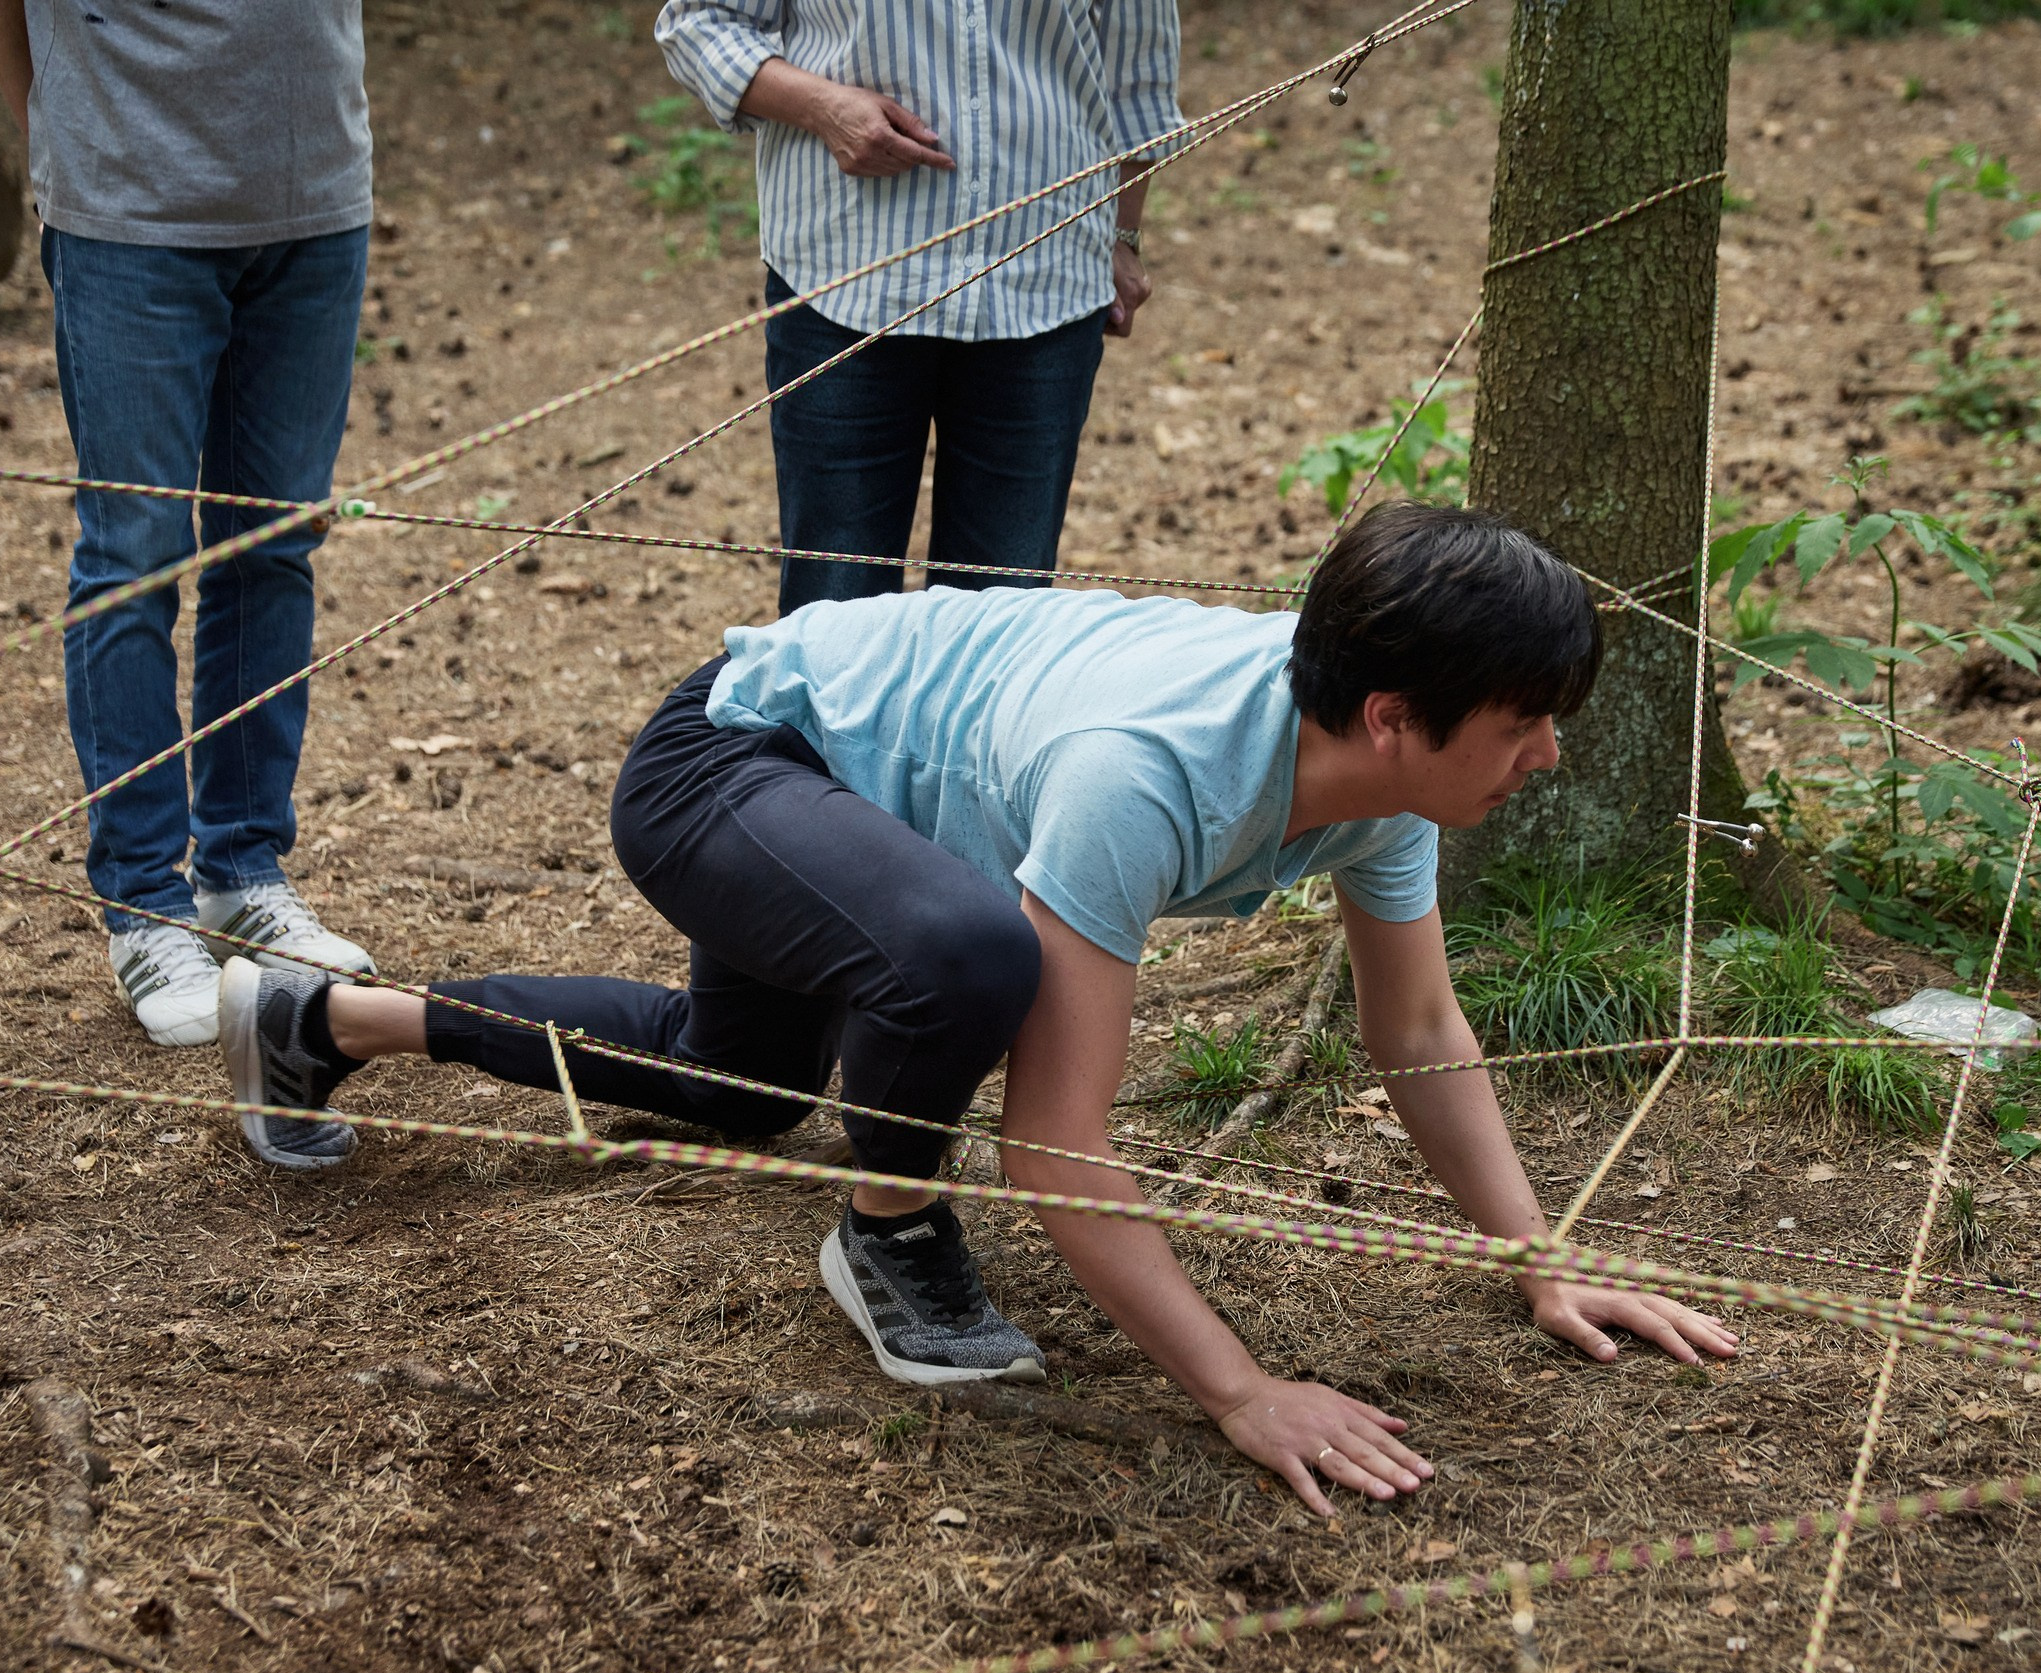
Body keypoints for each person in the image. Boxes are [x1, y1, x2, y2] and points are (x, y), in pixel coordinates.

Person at [216, 503, 1738, 1514]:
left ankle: (321, 1020)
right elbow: (1058, 1145)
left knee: (738, 1085)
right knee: (963, 957)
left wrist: (1541, 1262)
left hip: (848, 814)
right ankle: (885, 1235)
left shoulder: (1385, 788)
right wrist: (1242, 1388)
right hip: (730, 761)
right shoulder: (1145, 775)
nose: (1547, 756)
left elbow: (1416, 1034)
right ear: (1395, 715)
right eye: (1526, 722)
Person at [0, 0, 377, 1048]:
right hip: (127, 214)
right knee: (133, 560)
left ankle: (241, 869)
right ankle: (146, 911)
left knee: (272, 549)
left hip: (318, 197)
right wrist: (58, 136)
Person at [655, 0, 1180, 614]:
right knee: (834, 625)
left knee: (996, 630)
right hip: (842, 278)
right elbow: (700, 23)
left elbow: (1139, 76)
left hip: (1045, 286)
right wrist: (824, 107)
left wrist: (1125, 235)